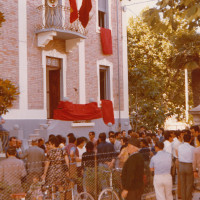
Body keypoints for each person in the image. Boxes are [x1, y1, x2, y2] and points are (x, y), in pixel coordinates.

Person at [178, 134, 195, 200]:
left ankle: (183, 198)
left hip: (181, 165)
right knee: (189, 184)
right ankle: (188, 198)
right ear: (190, 140)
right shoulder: (192, 148)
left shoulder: (179, 147)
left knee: (183, 184)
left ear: (183, 139)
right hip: (189, 166)